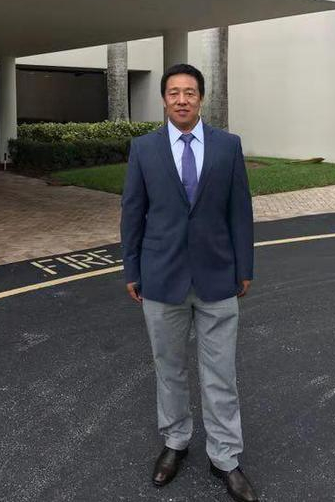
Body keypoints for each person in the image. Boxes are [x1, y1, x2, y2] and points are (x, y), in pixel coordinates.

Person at [120, 63, 259, 502]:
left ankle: (225, 457)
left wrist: (244, 267)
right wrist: (131, 269)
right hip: (161, 278)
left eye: (190, 92)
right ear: (164, 99)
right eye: (174, 92)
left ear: (201, 97)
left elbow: (239, 211)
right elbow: (133, 212)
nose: (182, 99)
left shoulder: (227, 146)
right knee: (170, 368)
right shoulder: (144, 149)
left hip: (218, 276)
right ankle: (176, 441)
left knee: (221, 373)